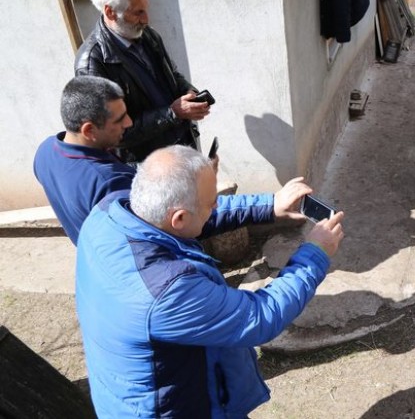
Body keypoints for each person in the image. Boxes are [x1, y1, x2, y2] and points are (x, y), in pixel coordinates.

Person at [75, 145, 344, 418]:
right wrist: (315, 255)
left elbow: (196, 216)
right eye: (210, 202)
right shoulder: (167, 291)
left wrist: (269, 206)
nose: (215, 206)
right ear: (178, 217)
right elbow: (260, 316)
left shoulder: (111, 212)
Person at [74, 0, 211, 163]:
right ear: (110, 12)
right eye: (138, 13)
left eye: (145, 10)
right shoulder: (91, 63)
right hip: (147, 166)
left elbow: (171, 75)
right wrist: (172, 113)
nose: (146, 19)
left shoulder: (147, 35)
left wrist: (189, 94)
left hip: (180, 148)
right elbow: (113, 134)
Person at [33, 76, 135, 244]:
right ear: (88, 130)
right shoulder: (110, 183)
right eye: (119, 119)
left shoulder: (44, 151)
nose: (129, 123)